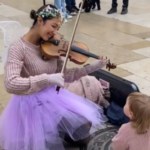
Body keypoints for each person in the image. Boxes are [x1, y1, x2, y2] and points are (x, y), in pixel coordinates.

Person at [0, 4, 108, 150]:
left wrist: (93, 67)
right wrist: (47, 78)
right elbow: (10, 83)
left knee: (83, 125)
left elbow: (66, 76)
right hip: (30, 105)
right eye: (53, 26)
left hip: (54, 97)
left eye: (58, 28)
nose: (55, 32)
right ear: (40, 20)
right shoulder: (18, 48)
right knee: (44, 143)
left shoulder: (52, 46)